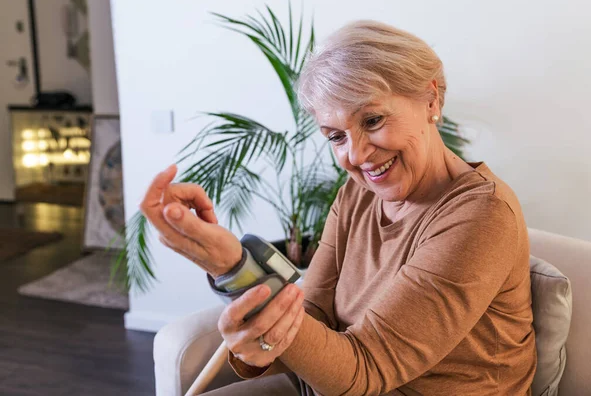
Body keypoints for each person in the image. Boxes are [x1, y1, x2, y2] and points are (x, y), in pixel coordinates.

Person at [140, 20, 537, 395]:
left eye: (373, 120)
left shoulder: (481, 214)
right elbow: (310, 312)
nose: (357, 154)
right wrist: (256, 335)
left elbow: (366, 370)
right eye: (336, 136)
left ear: (431, 98)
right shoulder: (358, 193)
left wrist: (234, 267)